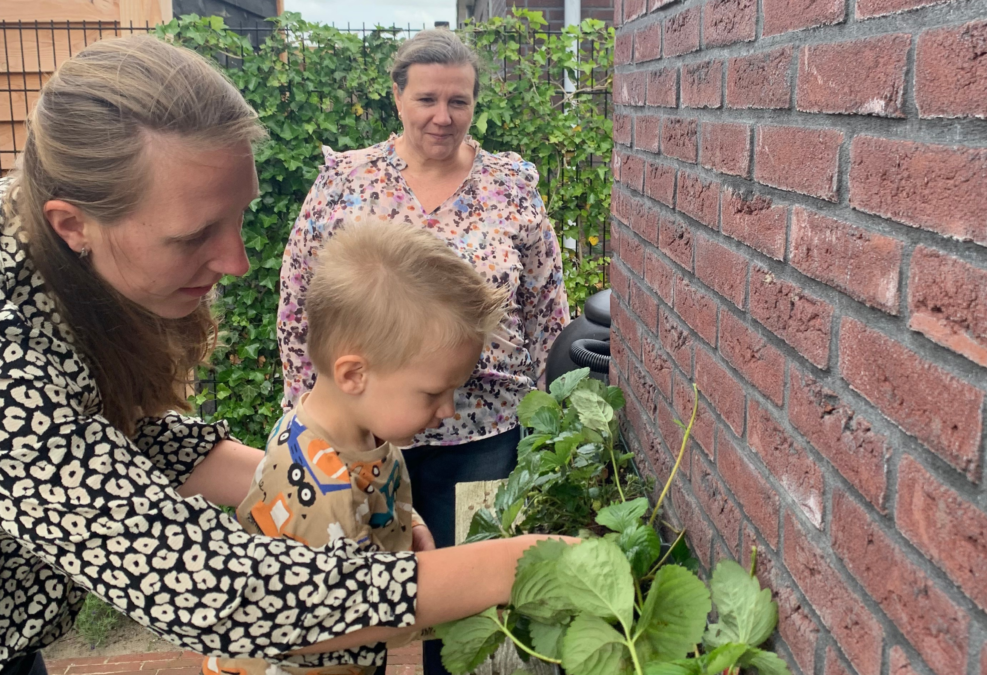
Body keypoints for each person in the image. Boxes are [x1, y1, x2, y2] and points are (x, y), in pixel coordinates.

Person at [0, 34, 564, 675]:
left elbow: (127, 437)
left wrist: (334, 482)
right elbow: (213, 590)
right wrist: (522, 564)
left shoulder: (58, 268)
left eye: (239, 218)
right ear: (73, 224)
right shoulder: (8, 353)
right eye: (194, 235)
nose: (237, 261)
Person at [277, 29, 570, 674]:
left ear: (474, 104)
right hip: (365, 437)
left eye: (458, 101)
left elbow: (546, 306)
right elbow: (299, 300)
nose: (443, 116)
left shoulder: (510, 185)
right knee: (348, 603)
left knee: (471, 608)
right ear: (397, 96)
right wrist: (308, 410)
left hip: (483, 432)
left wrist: (549, 414)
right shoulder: (347, 180)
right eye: (427, 99)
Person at [206, 222, 509, 675]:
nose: (449, 410)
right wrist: (471, 596)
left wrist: (409, 523)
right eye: (433, 393)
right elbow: (354, 613)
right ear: (354, 375)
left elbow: (375, 490)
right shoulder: (325, 495)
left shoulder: (348, 433)